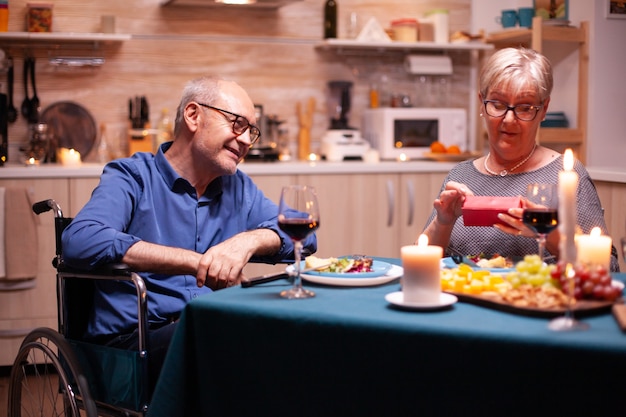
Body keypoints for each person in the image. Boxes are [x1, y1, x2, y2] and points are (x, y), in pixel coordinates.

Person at [61, 76, 317, 387]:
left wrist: (247, 241)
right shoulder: (131, 176)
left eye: (252, 130)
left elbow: (305, 236)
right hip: (134, 346)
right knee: (238, 337)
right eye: (238, 124)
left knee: (290, 330)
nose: (248, 139)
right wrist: (197, 262)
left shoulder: (238, 187)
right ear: (193, 116)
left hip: (206, 326)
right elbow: (80, 240)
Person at [421, 47, 619, 272]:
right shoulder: (460, 175)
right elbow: (420, 260)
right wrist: (443, 222)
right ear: (481, 103)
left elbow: (609, 269)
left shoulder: (567, 174)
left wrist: (552, 232)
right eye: (497, 104)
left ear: (544, 109)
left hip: (535, 303)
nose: (509, 119)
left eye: (525, 108)